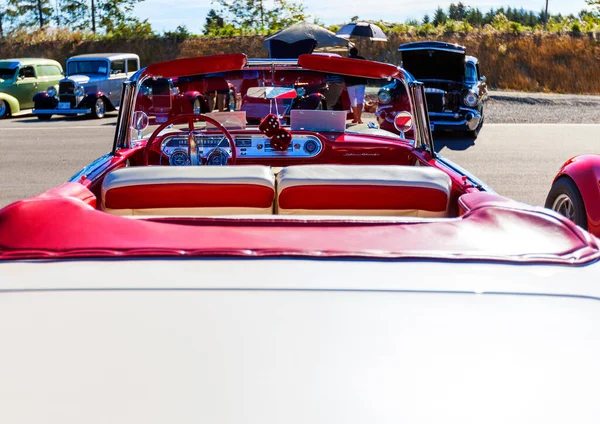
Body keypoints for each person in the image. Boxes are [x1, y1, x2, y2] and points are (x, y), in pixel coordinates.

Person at [345, 47, 367, 124]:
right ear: (357, 52)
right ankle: (359, 119)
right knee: (360, 100)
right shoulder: (362, 59)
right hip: (361, 82)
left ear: (350, 53)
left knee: (353, 101)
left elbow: (344, 72)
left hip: (350, 83)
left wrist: (344, 83)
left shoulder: (347, 60)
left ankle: (355, 118)